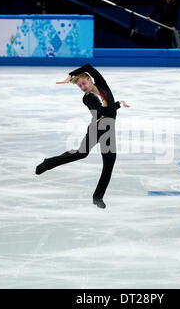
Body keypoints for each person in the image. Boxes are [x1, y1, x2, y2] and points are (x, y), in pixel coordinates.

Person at [35, 64, 130, 209]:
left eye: (84, 83)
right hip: (96, 129)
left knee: (109, 164)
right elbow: (103, 112)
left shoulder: (102, 85)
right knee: (81, 154)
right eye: (80, 86)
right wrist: (119, 104)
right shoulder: (87, 99)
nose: (83, 87)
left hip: (109, 130)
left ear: (90, 80)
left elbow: (88, 66)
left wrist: (70, 75)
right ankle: (48, 163)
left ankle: (97, 197)